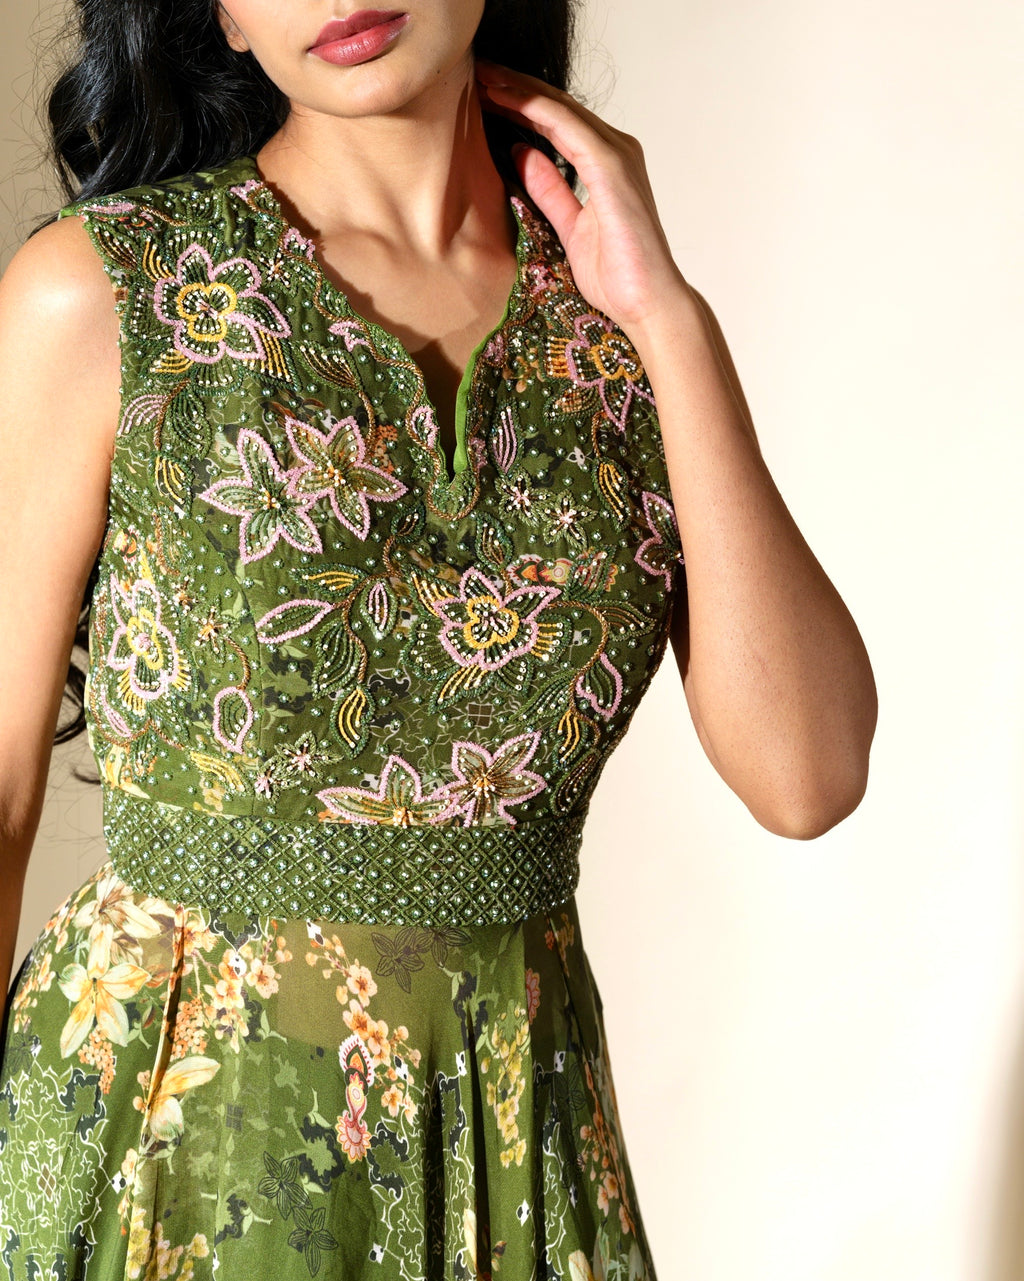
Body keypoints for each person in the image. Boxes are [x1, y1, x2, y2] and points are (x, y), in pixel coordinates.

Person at [0, 0, 877, 1276]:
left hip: (512, 1139)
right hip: (168, 1127)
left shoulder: (617, 324)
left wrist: (668, 320)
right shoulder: (103, 291)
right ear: (223, 20)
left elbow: (808, 778)